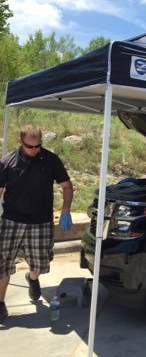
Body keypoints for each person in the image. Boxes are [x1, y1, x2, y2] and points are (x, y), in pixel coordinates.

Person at [0, 125, 74, 323]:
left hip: (41, 221)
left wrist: (65, 210)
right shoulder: (7, 162)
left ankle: (32, 279)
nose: (34, 150)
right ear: (20, 141)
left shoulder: (50, 159)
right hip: (11, 221)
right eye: (30, 146)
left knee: (40, 263)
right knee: (2, 264)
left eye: (38, 146)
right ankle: (0, 304)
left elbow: (66, 186)